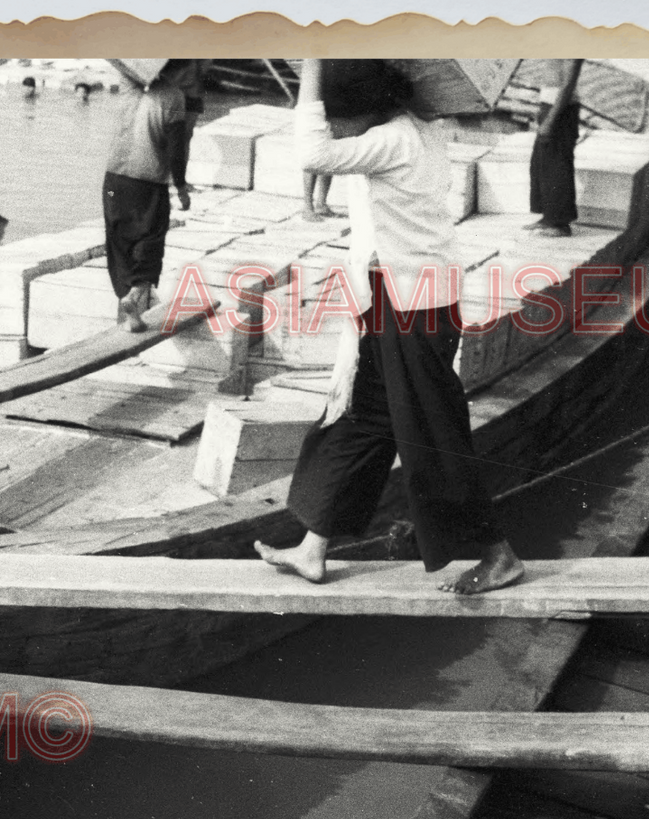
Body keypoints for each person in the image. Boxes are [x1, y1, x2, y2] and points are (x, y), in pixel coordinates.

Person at [254, 59, 524, 596]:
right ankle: (314, 548)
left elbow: (312, 152)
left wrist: (312, 65)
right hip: (393, 296)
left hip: (415, 305)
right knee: (360, 416)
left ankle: (498, 554)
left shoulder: (396, 140)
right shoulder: (409, 129)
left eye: (339, 119)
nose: (335, 131)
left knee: (432, 431)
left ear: (368, 110)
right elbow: (327, 155)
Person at [102, 59, 196, 333]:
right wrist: (180, 187)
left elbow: (124, 65)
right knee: (150, 240)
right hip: (148, 182)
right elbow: (176, 150)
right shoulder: (174, 97)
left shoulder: (130, 88)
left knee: (118, 242)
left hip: (113, 180)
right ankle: (133, 297)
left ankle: (128, 310)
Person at [525, 58, 584, 238]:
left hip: (561, 112)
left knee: (557, 166)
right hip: (549, 106)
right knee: (541, 164)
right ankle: (548, 216)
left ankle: (560, 223)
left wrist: (550, 120)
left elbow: (567, 86)